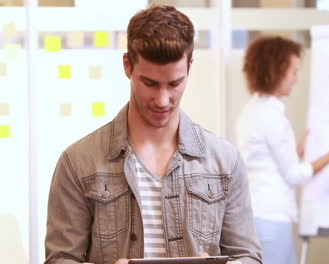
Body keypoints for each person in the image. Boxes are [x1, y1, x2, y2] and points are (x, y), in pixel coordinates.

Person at [44, 5, 261, 264]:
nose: (162, 100)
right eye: (150, 83)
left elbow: (248, 257)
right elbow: (60, 258)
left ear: (190, 66)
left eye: (174, 83)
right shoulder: (78, 162)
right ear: (127, 65)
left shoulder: (225, 161)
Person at [236, 36, 329, 264]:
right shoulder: (272, 117)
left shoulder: (251, 111)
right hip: (271, 218)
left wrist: (296, 149)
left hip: (257, 214)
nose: (296, 80)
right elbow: (294, 175)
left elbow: (266, 161)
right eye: (293, 72)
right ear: (276, 72)